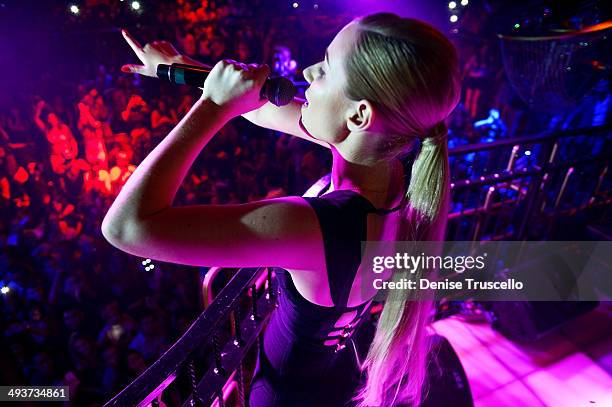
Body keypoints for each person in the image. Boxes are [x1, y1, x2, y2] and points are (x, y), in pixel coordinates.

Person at [104, 12, 460, 406]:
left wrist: (212, 106)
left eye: (323, 70)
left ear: (359, 115)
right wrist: (180, 70)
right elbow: (259, 108)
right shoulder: (390, 168)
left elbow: (126, 228)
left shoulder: (310, 228)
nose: (307, 73)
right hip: (331, 380)